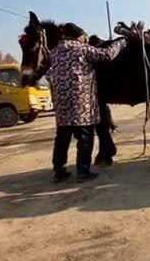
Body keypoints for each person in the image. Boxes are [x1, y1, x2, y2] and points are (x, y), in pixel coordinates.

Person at [48, 22, 129, 183]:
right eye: (84, 36)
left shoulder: (54, 52)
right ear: (78, 36)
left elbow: (49, 74)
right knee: (85, 138)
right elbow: (106, 55)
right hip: (81, 104)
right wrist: (122, 42)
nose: (86, 39)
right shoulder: (82, 49)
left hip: (62, 106)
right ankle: (83, 172)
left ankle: (59, 171)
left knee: (62, 139)